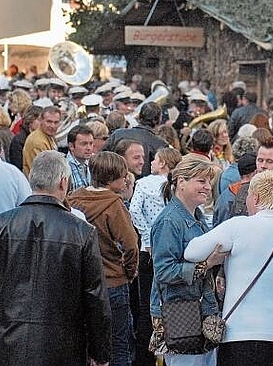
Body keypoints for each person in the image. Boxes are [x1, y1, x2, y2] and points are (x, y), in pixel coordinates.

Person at [0, 151, 111, 366]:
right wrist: (100, 352)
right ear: (63, 182)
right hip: (63, 346)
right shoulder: (81, 231)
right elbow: (95, 297)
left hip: (8, 342)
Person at [185, 170, 273, 366]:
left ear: (256, 197)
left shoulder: (237, 226)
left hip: (239, 331)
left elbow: (191, 252)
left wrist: (215, 259)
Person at [149, 155, 225, 366]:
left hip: (199, 312)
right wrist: (206, 265)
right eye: (201, 181)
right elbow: (163, 271)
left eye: (209, 182)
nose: (208, 187)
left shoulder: (196, 217)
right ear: (181, 182)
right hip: (180, 314)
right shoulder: (169, 221)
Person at [67, 151, 139, 366]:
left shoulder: (72, 199)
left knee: (86, 344)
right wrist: (129, 271)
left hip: (81, 282)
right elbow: (131, 245)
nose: (126, 179)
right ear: (111, 178)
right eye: (122, 175)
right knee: (118, 344)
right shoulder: (114, 204)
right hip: (113, 281)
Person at [130, 147, 182, 364]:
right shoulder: (175, 186)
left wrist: (146, 236)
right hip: (171, 249)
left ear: (162, 164)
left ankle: (147, 355)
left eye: (155, 159)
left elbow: (133, 210)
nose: (150, 162)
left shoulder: (143, 183)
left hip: (147, 250)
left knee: (146, 306)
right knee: (171, 300)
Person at [104, 102, 169, 177]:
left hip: (117, 181)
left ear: (140, 117)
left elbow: (102, 158)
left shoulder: (118, 133)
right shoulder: (160, 144)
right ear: (158, 120)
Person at [22, 106, 61, 176]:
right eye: (49, 121)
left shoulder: (48, 135)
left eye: (56, 122)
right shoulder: (37, 141)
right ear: (41, 120)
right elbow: (44, 172)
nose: (52, 126)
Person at [66, 125, 94, 193]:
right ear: (71, 146)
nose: (89, 148)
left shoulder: (94, 162)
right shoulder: (64, 167)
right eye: (84, 144)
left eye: (91, 143)